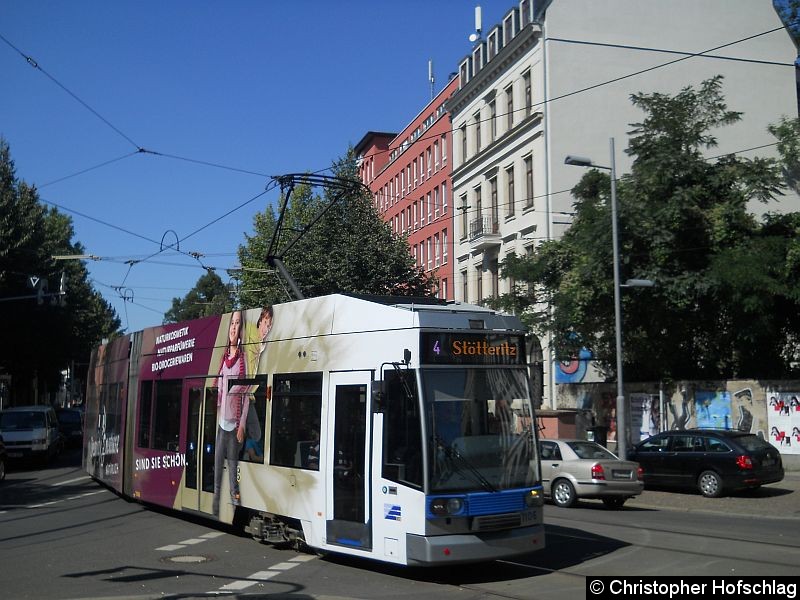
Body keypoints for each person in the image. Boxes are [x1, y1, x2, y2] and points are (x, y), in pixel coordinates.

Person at [213, 310, 249, 515]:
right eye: (231, 323)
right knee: (218, 468)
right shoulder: (223, 360)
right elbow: (218, 392)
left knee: (232, 469)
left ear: (241, 329)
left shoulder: (242, 361)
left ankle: (235, 506)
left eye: (237, 323)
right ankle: (216, 506)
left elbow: (246, 397)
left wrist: (242, 424)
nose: (233, 327)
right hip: (221, 424)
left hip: (234, 426)